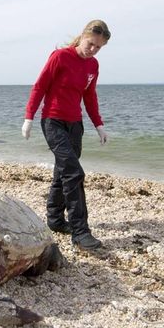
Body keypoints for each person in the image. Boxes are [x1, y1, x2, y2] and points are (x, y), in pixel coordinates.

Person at [22, 19, 110, 250]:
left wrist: (98, 124)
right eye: (90, 44)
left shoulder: (93, 66)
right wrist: (29, 117)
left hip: (75, 125)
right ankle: (81, 232)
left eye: (98, 47)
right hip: (53, 122)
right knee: (73, 173)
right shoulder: (60, 57)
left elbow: (89, 96)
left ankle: (55, 220)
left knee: (62, 173)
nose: (92, 50)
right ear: (82, 37)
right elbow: (39, 86)